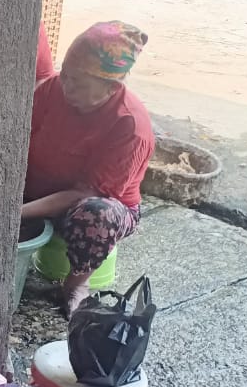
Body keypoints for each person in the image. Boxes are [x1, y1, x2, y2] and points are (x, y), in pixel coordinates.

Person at [23, 21, 154, 314]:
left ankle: (76, 285)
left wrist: (17, 213)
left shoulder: (130, 125)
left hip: (86, 205)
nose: (66, 86)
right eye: (66, 74)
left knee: (98, 215)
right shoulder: (53, 89)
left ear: (111, 87)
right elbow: (18, 138)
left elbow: (86, 192)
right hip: (36, 189)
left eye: (79, 83)